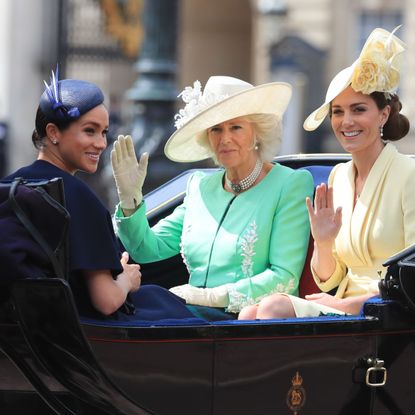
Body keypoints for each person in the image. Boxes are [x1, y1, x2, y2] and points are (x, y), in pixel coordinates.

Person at [112, 76, 314, 320]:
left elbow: (284, 276)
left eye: (236, 127)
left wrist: (212, 296)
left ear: (256, 133)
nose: (224, 138)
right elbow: (146, 249)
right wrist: (130, 199)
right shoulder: (200, 186)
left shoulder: (290, 184)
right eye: (216, 129)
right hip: (190, 313)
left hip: (244, 320)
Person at [2, 69, 195, 321]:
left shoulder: (10, 185)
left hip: (31, 328)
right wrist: (126, 280)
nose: (101, 143)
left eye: (104, 132)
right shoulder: (78, 197)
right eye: (90, 131)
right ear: (53, 133)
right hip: (89, 334)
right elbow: (106, 300)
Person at [251, 26, 415, 319]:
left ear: (384, 114)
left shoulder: (409, 173)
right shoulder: (338, 177)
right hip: (347, 308)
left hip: (391, 309)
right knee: (248, 314)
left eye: (358, 109)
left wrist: (348, 304)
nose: (346, 121)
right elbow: (330, 278)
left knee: (272, 308)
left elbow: (411, 276)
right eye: (337, 112)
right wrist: (324, 243)